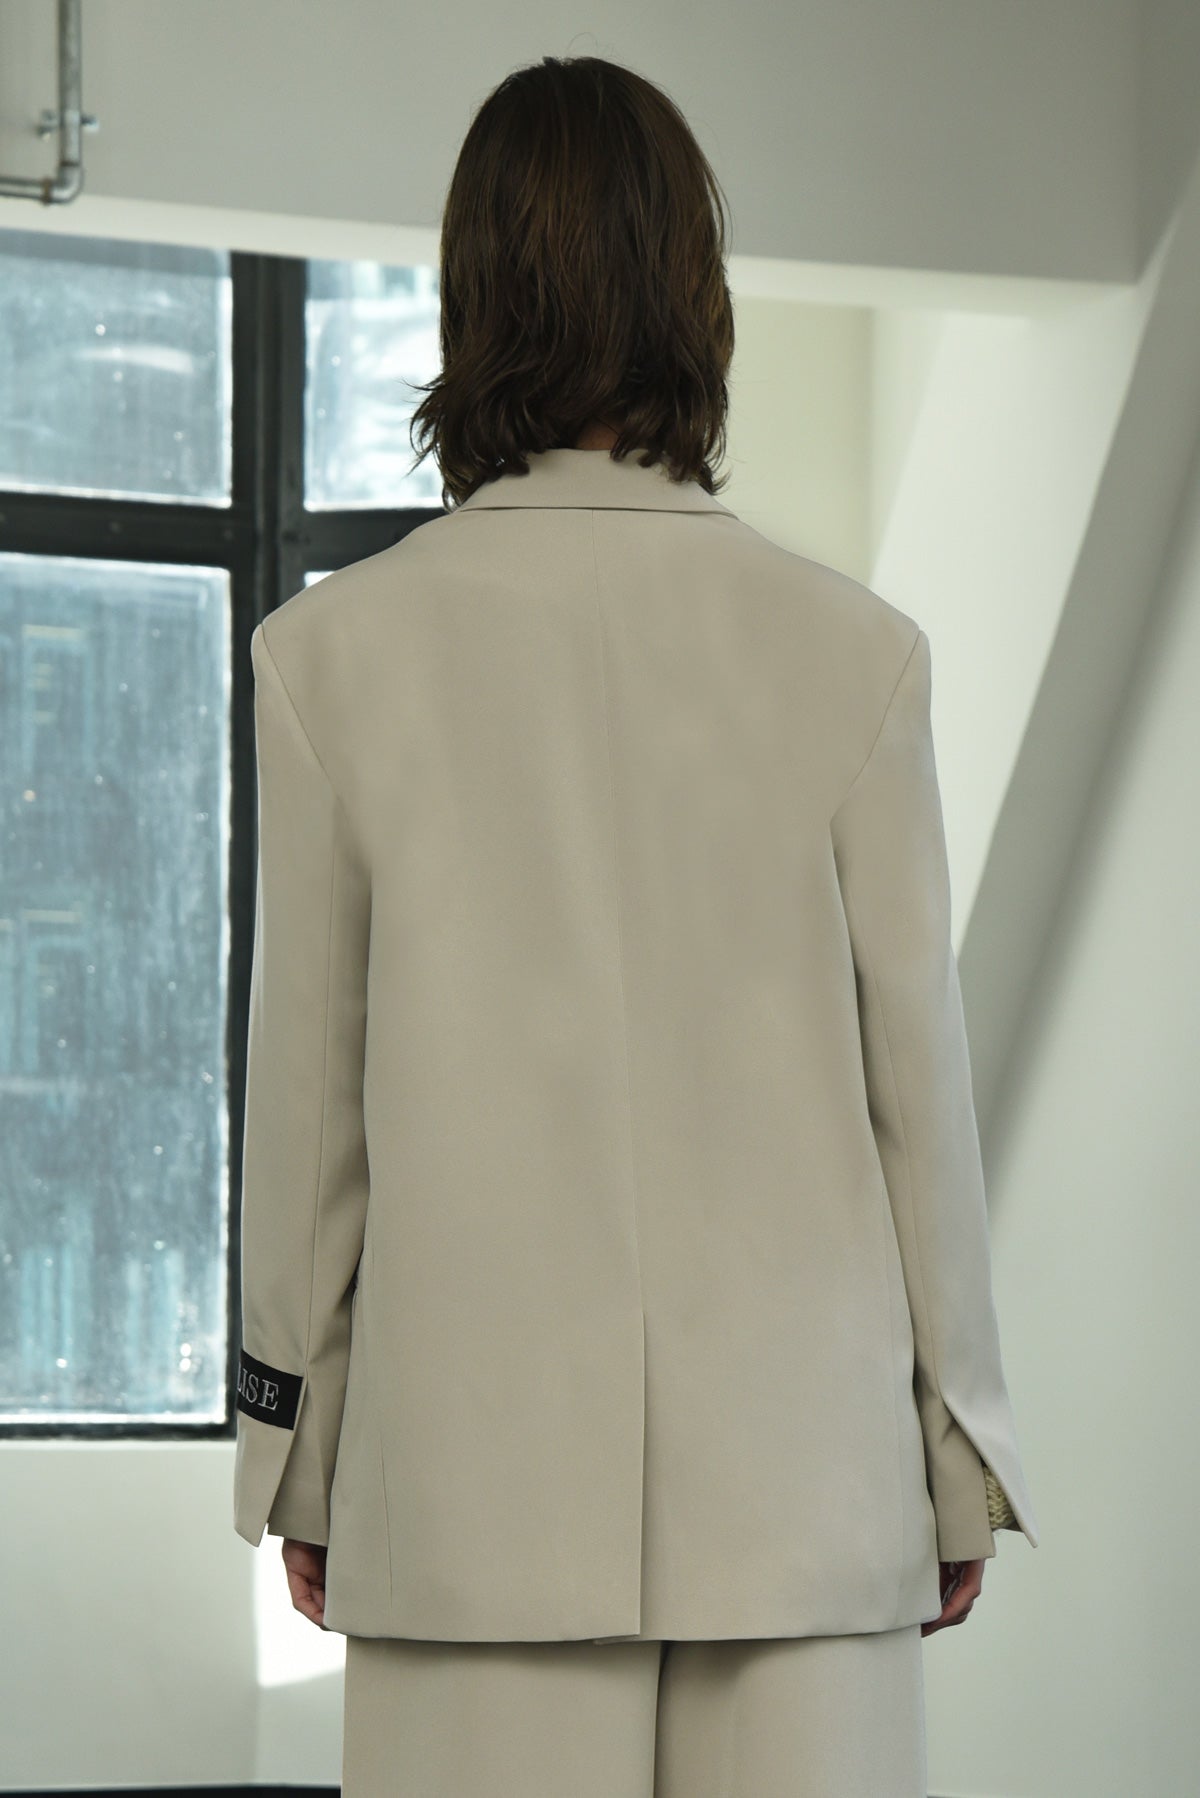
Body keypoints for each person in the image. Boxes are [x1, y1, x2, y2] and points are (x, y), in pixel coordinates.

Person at [233, 52, 1039, 1798]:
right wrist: (957, 1451)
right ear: (696, 293)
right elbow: (922, 1103)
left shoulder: (330, 660)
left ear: (471, 295)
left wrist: (291, 1444)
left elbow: (312, 1122)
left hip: (467, 1508)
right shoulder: (857, 655)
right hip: (810, 1501)